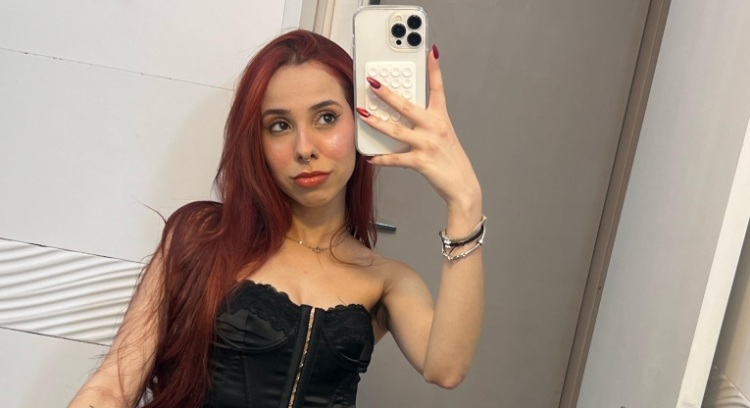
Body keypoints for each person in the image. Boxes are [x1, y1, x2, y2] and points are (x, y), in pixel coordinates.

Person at [68, 29, 484, 408]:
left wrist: (465, 201)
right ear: (257, 141)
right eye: (280, 125)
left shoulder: (387, 281)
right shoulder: (201, 237)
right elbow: (111, 389)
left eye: (326, 117)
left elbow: (445, 369)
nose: (304, 148)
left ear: (360, 122)